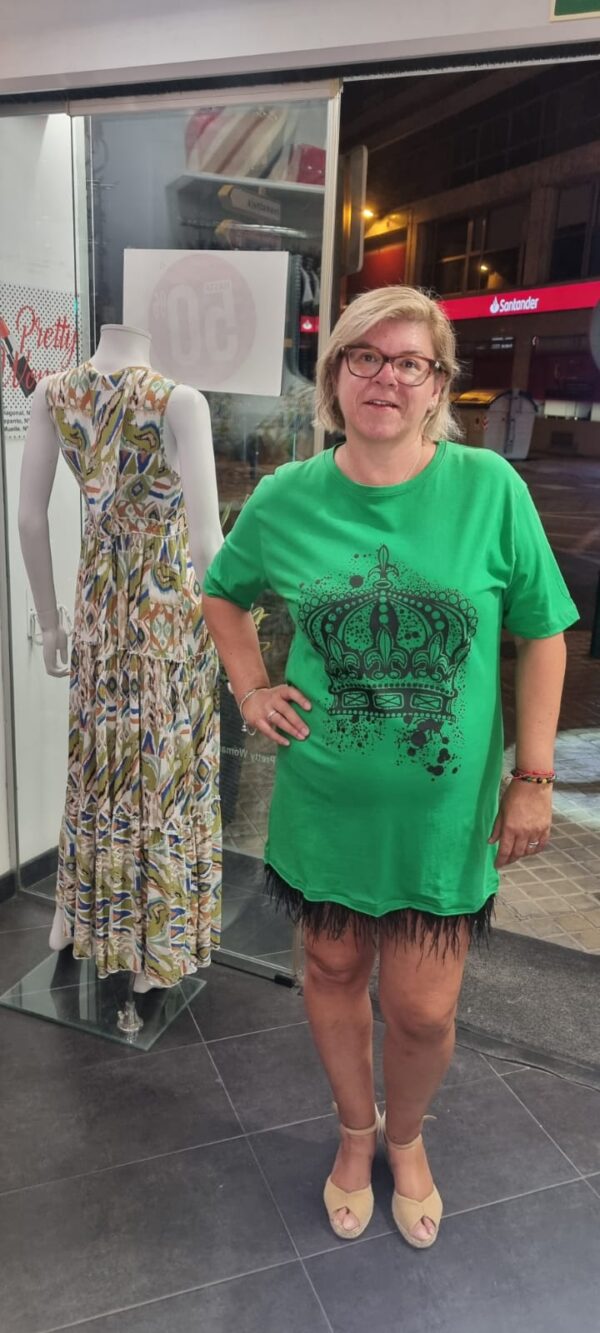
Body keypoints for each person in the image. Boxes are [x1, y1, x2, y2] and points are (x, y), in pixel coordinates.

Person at [202, 286, 577, 1249]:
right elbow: (222, 594)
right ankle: (355, 1130)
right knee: (331, 964)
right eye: (364, 357)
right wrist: (250, 688)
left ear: (437, 384)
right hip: (325, 800)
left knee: (419, 1007)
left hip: (444, 818)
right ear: (334, 378)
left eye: (409, 361)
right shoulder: (289, 496)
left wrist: (532, 777)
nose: (385, 377)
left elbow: (542, 633)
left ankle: (406, 1136)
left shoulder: (490, 488)